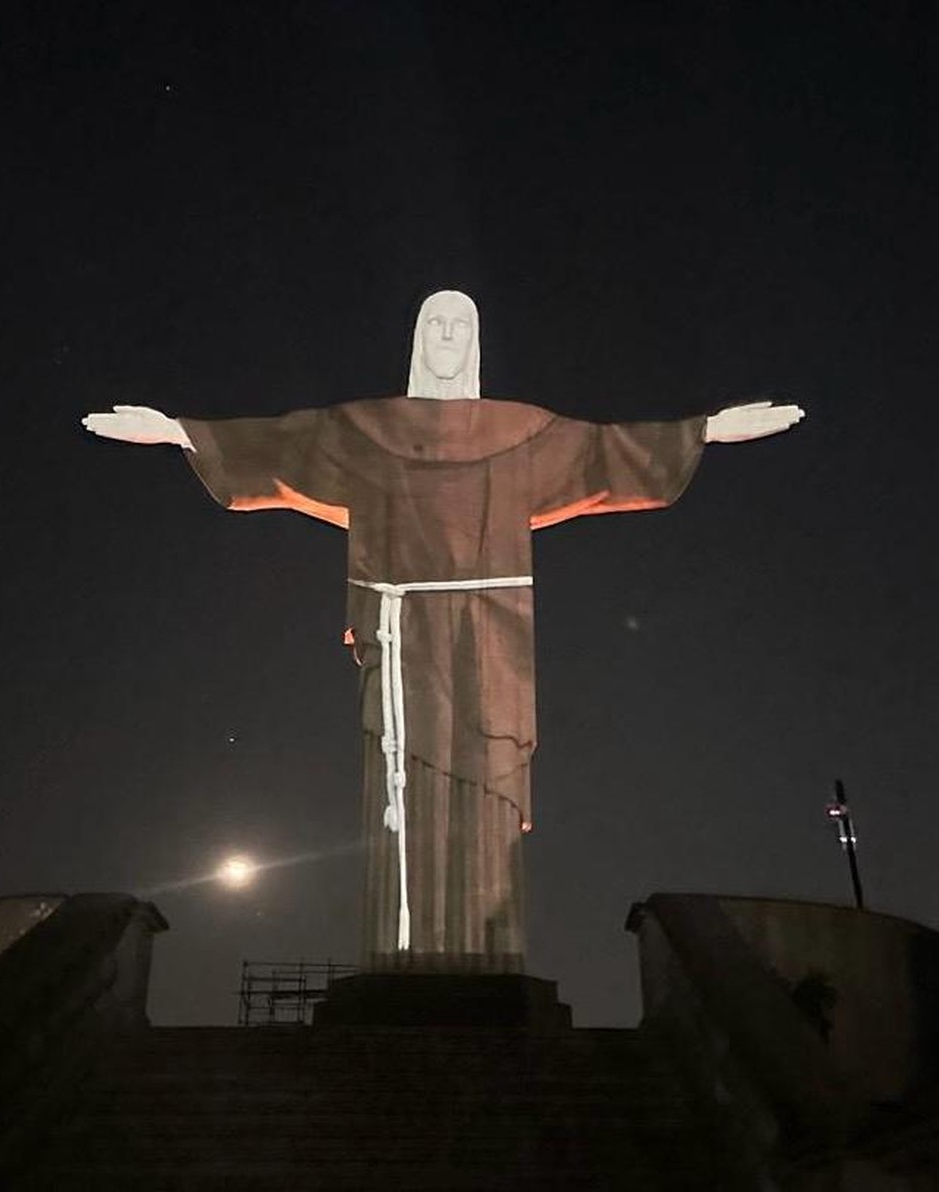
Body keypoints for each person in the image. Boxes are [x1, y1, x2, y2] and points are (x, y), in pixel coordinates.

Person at [83, 289, 803, 972]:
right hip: (402, 634)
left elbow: (603, 452)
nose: (449, 339)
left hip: (490, 638)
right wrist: (180, 432)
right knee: (402, 781)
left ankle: (485, 962)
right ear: (418, 340)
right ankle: (401, 958)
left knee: (486, 781)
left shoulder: (522, 433)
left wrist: (704, 431)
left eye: (462, 325)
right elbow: (285, 446)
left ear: (478, 340)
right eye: (436, 326)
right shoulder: (365, 432)